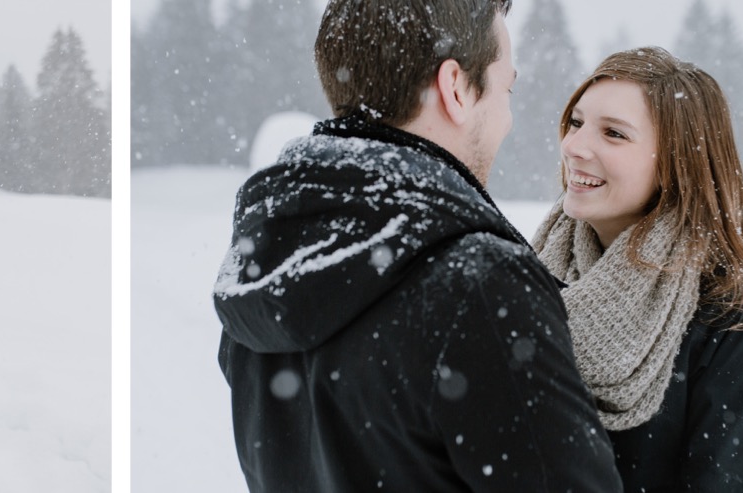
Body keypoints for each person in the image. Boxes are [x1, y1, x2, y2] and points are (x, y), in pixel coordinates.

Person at [211, 0, 623, 491]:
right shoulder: (481, 283)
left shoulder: (268, 265)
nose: (508, 119)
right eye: (506, 89)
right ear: (455, 88)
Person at [532, 46, 743, 492]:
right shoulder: (528, 280)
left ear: (676, 164)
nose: (574, 146)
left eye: (613, 133)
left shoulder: (732, 322)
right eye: (576, 123)